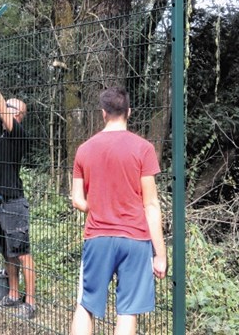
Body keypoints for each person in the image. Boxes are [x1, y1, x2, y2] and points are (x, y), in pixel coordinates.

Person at [70, 86, 167, 335]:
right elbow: (151, 204)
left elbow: (77, 200)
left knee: (85, 305)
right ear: (129, 112)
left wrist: (100, 204)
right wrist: (160, 255)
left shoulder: (84, 150)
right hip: (135, 239)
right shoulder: (143, 148)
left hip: (98, 237)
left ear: (103, 113)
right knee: (127, 311)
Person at [0, 54, 37, 320]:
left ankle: (30, 301)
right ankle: (13, 295)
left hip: (13, 202)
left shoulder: (17, 132)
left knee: (22, 253)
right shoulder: (1, 128)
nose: (4, 109)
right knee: (7, 253)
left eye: (9, 107)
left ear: (19, 115)